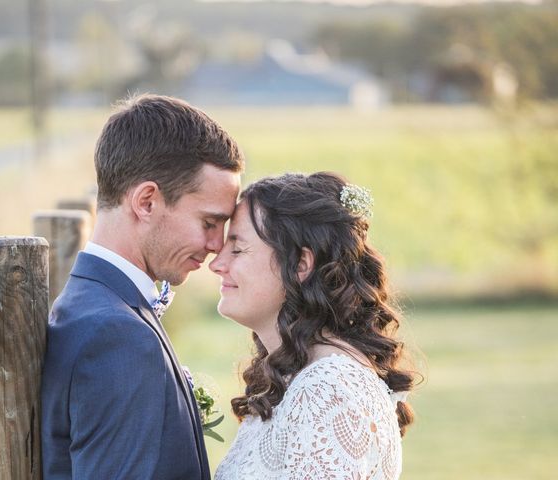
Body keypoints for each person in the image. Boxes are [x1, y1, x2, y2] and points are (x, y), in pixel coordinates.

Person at [41, 94, 244, 479]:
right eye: (208, 222)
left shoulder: (93, 303)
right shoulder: (116, 334)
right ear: (147, 202)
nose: (218, 244)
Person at [210, 172, 418, 480]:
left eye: (238, 249)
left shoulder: (328, 390)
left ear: (300, 264)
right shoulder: (297, 378)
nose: (216, 263)